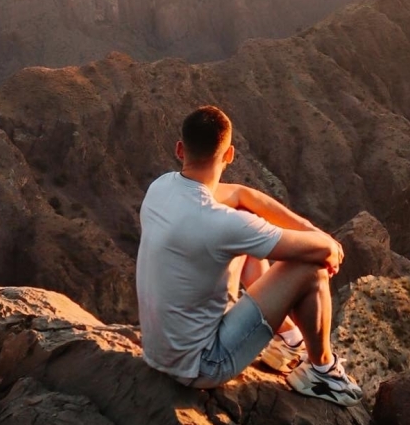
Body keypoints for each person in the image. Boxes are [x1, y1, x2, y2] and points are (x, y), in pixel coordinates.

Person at [136, 104, 362, 405]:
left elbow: (242, 196)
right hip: (203, 365)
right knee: (311, 270)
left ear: (180, 149)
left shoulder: (160, 187)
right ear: (229, 155)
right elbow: (321, 251)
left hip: (158, 352)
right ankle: (321, 370)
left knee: (248, 225)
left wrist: (311, 230)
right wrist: (328, 244)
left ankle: (288, 340)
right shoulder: (222, 223)